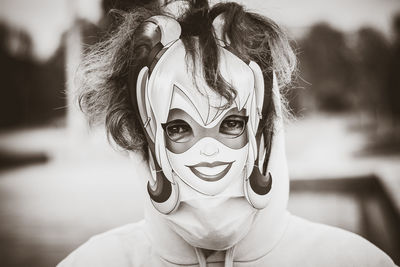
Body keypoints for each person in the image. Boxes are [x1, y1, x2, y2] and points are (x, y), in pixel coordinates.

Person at [58, 0, 396, 266]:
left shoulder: (353, 262)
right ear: (144, 137)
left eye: (232, 123)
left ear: (265, 129)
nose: (208, 148)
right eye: (179, 127)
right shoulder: (95, 262)